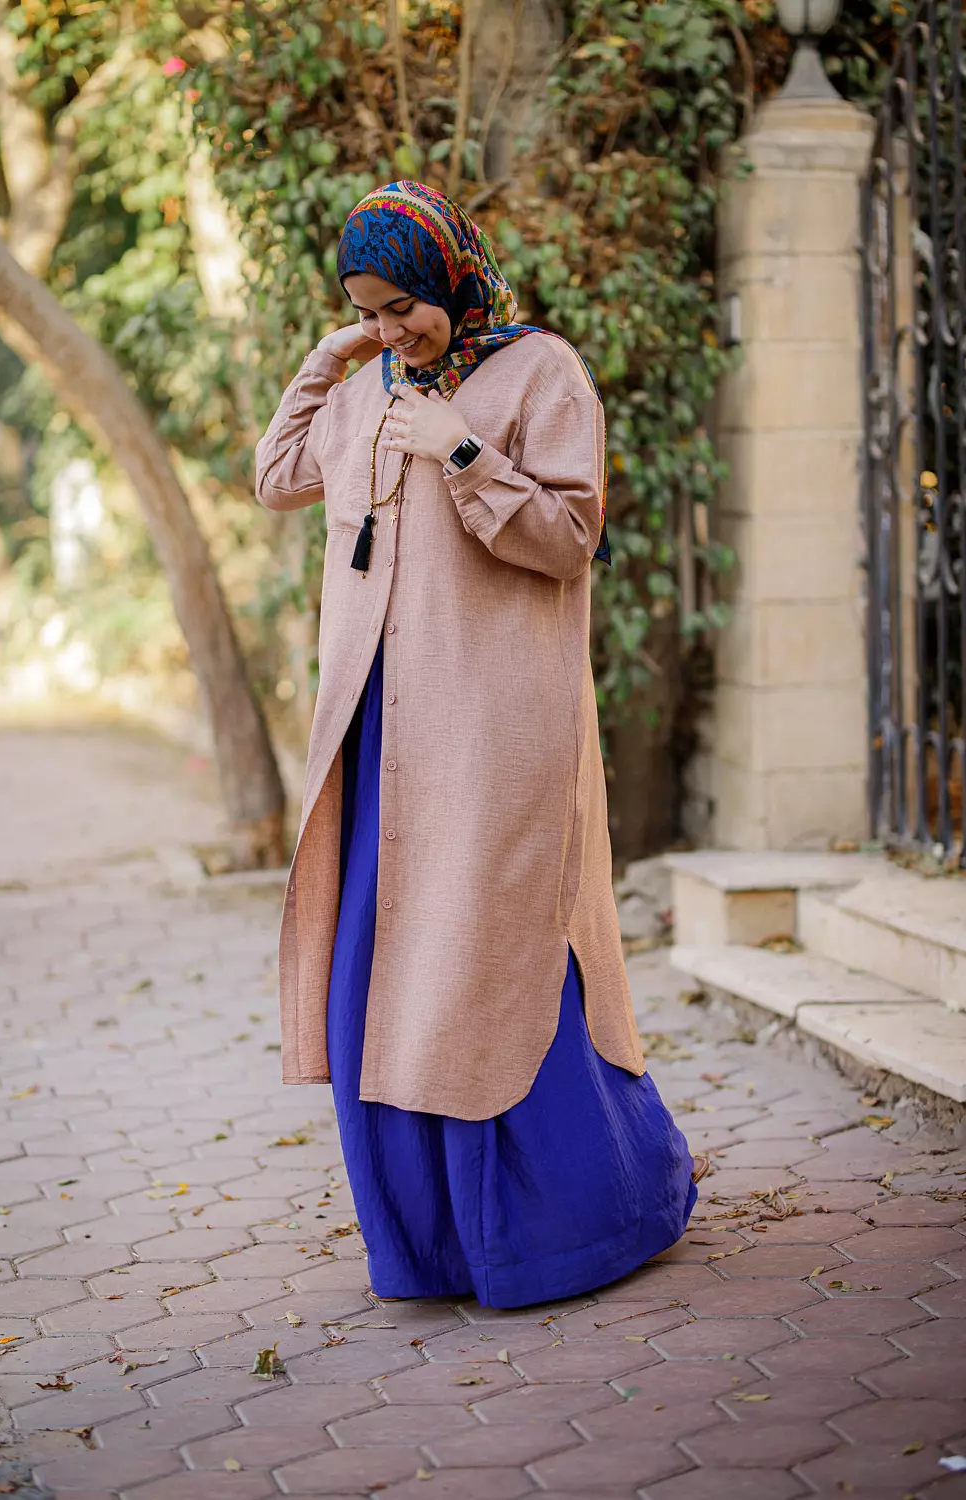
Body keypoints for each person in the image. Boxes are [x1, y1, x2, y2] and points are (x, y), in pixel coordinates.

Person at [255, 179, 703, 1308]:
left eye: (401, 304)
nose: (390, 327)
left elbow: (566, 541)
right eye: (367, 306)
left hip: (492, 736)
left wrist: (462, 454)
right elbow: (274, 478)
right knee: (381, 978)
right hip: (377, 740)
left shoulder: (540, 373)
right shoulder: (365, 389)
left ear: (449, 275)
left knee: (488, 957)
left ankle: (568, 1226)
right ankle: (425, 1249)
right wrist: (330, 354)